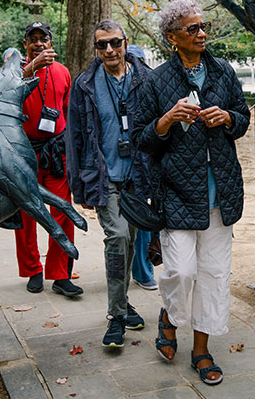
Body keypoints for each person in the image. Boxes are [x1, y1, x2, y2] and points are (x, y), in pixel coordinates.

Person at [132, 0, 250, 385]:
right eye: (192, 29)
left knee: (214, 275)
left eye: (204, 27)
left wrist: (228, 117)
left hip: (221, 192)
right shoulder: (156, 81)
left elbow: (243, 117)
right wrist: (166, 120)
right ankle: (170, 314)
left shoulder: (223, 72)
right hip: (178, 192)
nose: (201, 34)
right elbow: (142, 139)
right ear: (172, 38)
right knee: (182, 272)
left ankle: (201, 350)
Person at [66, 20, 152, 347]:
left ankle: (123, 301)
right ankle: (116, 316)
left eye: (114, 42)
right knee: (116, 237)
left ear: (126, 42)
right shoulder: (85, 84)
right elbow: (74, 138)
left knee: (128, 241)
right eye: (102, 45)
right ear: (95, 49)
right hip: (104, 179)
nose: (109, 50)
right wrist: (80, 186)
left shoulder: (145, 78)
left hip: (137, 178)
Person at [14, 22, 81, 298]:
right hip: (25, 151)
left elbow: (67, 110)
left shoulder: (63, 72)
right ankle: (33, 270)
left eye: (44, 39)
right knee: (26, 215)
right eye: (33, 39)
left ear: (51, 43)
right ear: (25, 45)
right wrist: (33, 66)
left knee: (62, 211)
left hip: (56, 152)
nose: (39, 43)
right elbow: (6, 93)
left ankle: (61, 274)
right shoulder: (16, 71)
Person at [125, 44, 159, 292]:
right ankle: (136, 272)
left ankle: (144, 269)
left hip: (147, 163)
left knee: (144, 220)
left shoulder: (152, 86)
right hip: (123, 168)